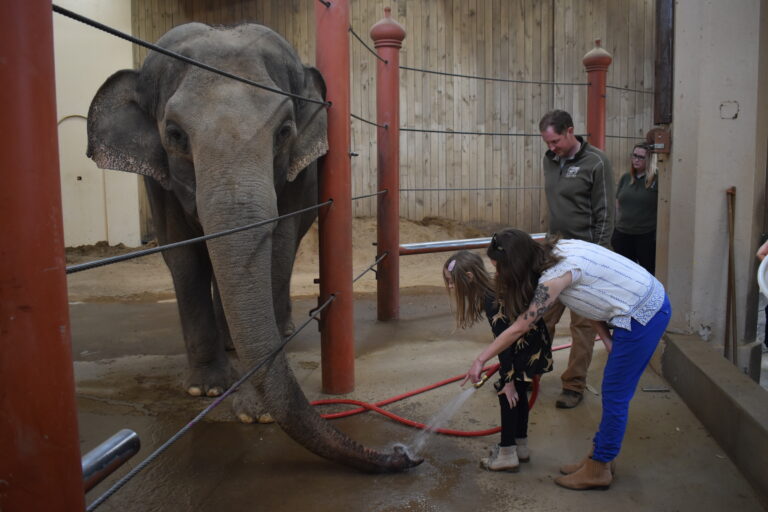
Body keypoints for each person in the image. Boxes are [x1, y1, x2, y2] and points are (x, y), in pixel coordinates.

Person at [463, 229, 670, 490]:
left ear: (516, 264)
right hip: (639, 303)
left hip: (643, 314)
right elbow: (589, 293)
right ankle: (599, 457)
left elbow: (520, 326)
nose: (500, 276)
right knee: (614, 391)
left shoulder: (552, 279)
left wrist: (481, 359)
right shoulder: (557, 250)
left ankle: (599, 468)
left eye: (501, 269)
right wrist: (605, 336)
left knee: (615, 394)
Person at [443, 250, 552, 472]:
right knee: (518, 393)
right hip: (533, 343)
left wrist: (508, 379)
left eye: (451, 281)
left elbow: (505, 343)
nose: (451, 287)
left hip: (524, 348)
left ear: (470, 277)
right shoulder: (493, 288)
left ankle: (507, 453)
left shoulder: (491, 299)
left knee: (508, 392)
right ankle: (519, 447)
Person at [538, 109, 615, 408]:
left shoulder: (596, 162)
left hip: (586, 257)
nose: (551, 147)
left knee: (583, 325)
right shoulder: (550, 160)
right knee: (540, 316)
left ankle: (573, 384)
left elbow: (606, 214)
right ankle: (530, 370)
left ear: (570, 131)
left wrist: (596, 258)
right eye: (547, 143)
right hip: (555, 254)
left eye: (555, 141)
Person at [612, 142, 658, 275]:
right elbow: (618, 203)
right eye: (634, 155)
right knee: (625, 273)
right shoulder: (626, 178)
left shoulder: (657, 179)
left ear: (649, 160)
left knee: (647, 273)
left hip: (645, 235)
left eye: (641, 157)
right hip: (623, 233)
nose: (636, 159)